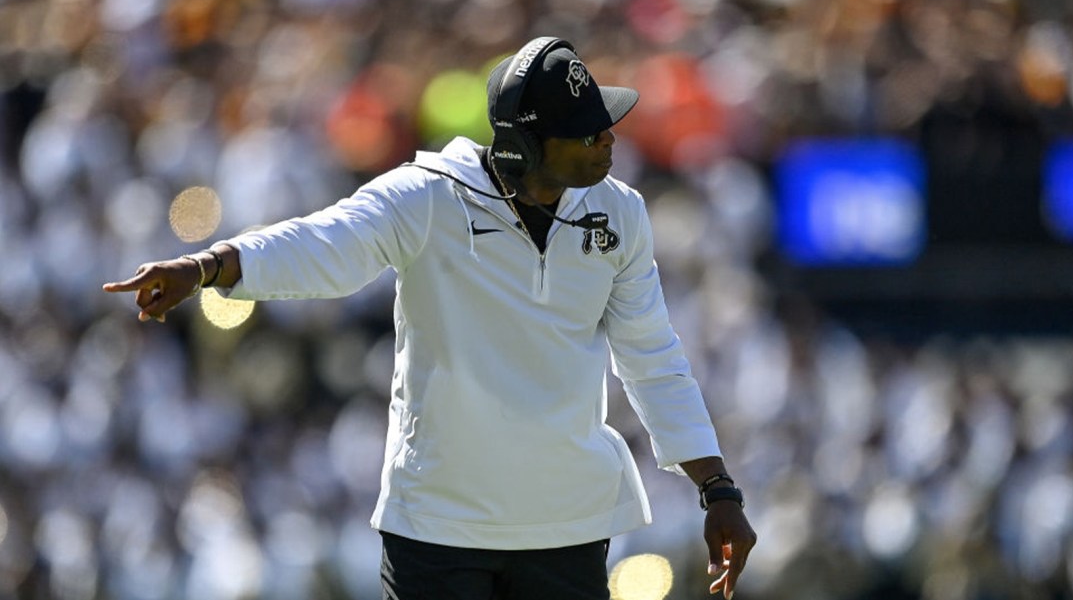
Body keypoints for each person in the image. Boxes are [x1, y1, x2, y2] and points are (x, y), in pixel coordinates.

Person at [103, 37, 756, 599]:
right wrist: (207, 266)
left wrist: (717, 489)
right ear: (526, 144)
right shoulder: (426, 197)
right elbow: (326, 243)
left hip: (566, 525)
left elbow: (651, 355)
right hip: (439, 526)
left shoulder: (620, 212)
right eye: (587, 132)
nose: (609, 140)